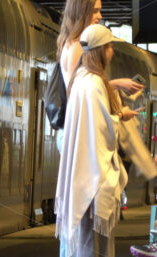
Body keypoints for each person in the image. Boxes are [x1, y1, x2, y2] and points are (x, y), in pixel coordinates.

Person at [55, 24, 128, 257]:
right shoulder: (95, 83)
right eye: (109, 48)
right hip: (94, 185)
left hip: (81, 180)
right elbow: (103, 132)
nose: (112, 53)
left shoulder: (80, 79)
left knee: (88, 255)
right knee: (96, 256)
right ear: (99, 51)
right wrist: (120, 117)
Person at [56, 0, 144, 153]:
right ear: (82, 12)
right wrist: (117, 84)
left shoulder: (73, 43)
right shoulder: (78, 46)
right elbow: (79, 92)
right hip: (77, 133)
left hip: (76, 131)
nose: (100, 16)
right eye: (95, 11)